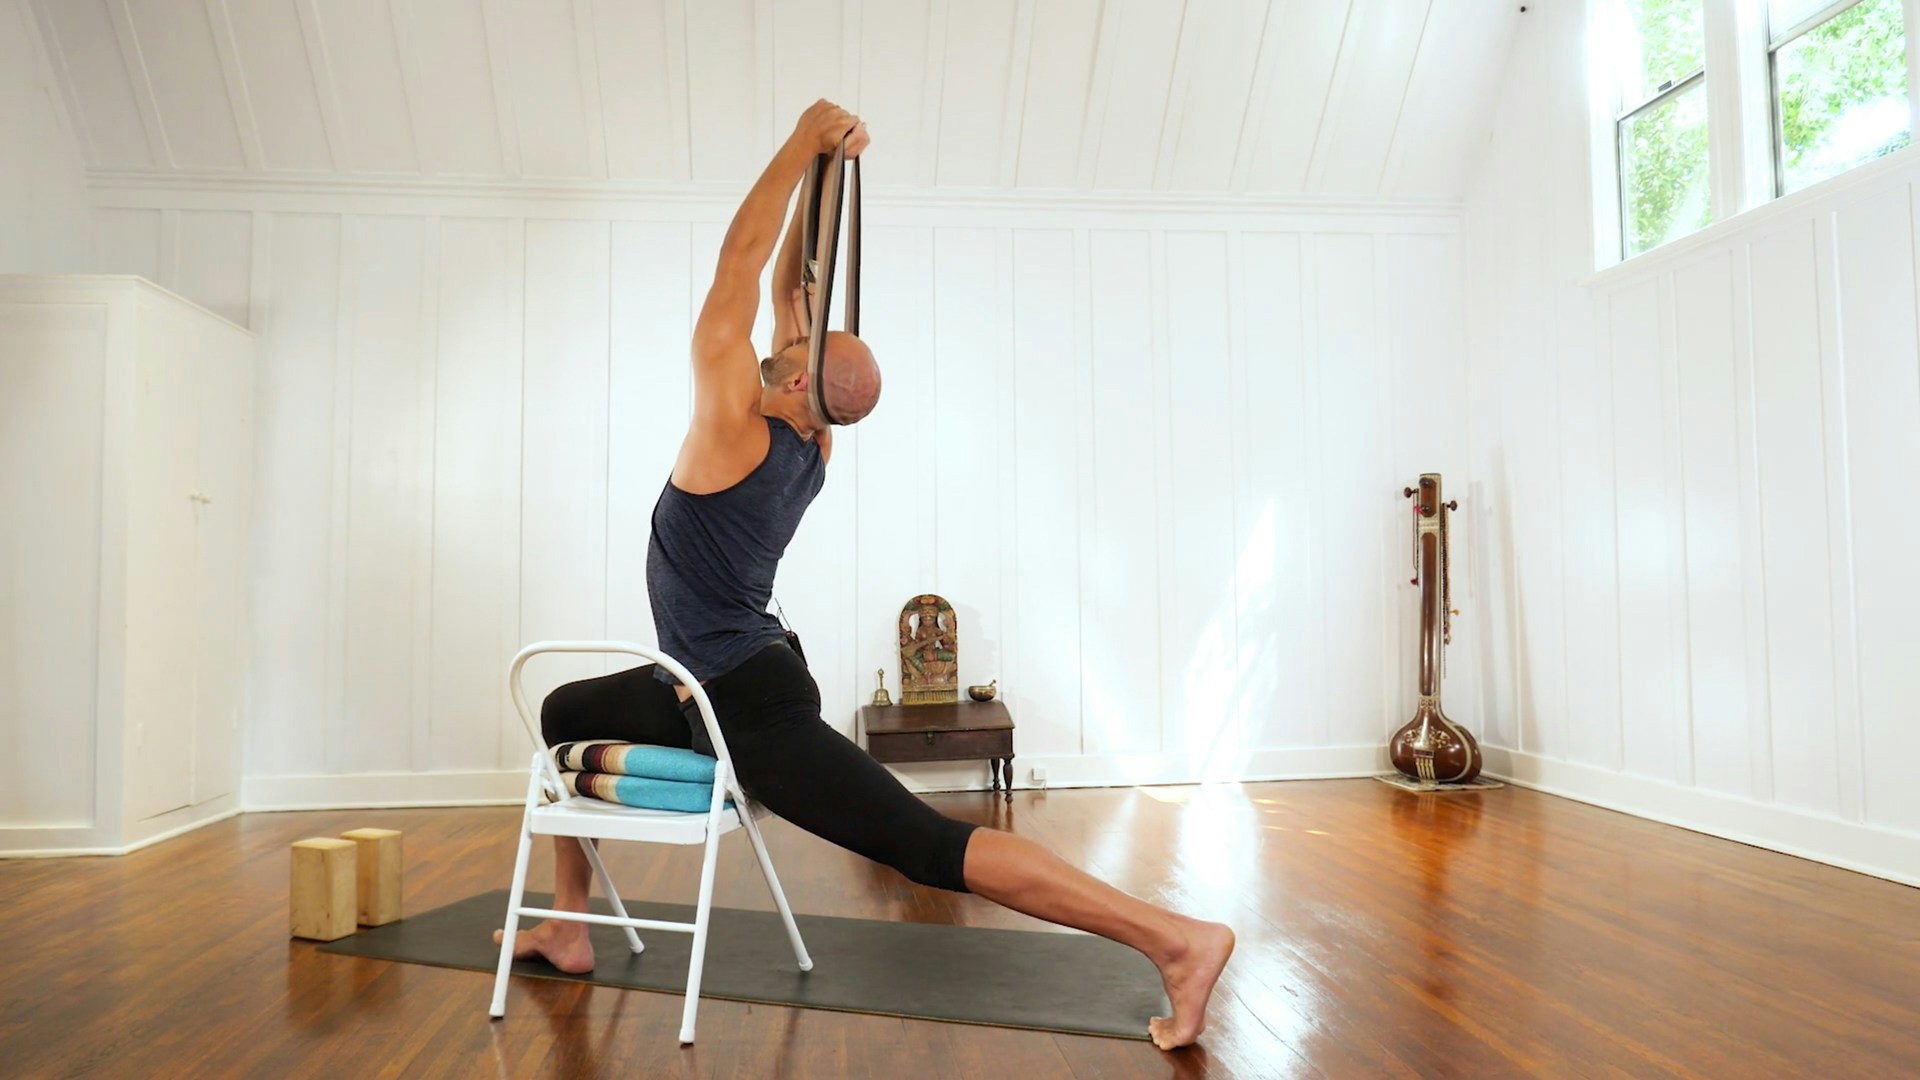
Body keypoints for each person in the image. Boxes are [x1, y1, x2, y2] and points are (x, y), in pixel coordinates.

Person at [496, 99, 1233, 1051]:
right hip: (713, 680)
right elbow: (795, 282)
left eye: (801, 344)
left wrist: (802, 137)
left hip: (750, 701)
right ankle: (567, 926)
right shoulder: (812, 446)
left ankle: (1174, 940)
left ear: (801, 379)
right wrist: (828, 173)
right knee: (565, 710)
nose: (790, 333)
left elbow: (743, 264)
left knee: (925, 846)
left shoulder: (731, 432)